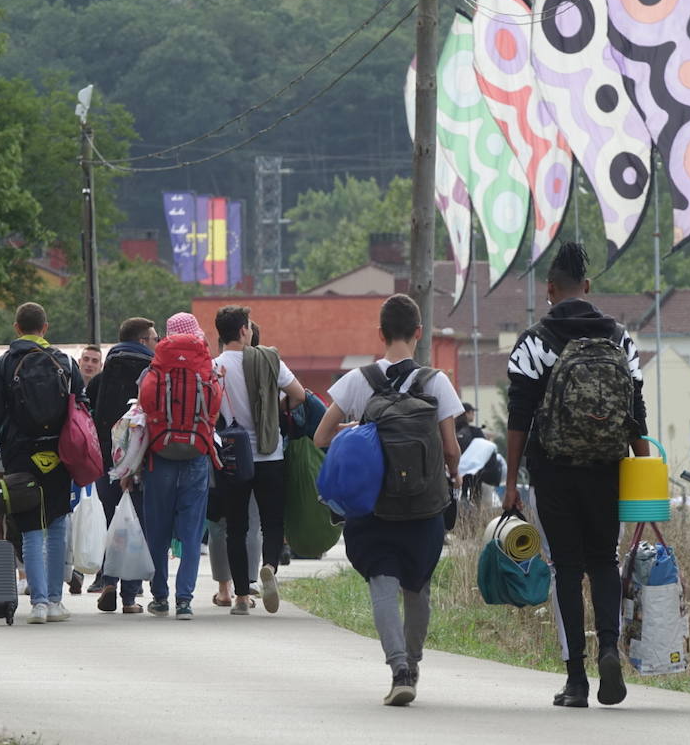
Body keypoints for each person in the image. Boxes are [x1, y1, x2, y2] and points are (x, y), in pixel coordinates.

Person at [503, 241, 648, 709]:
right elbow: (636, 412)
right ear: (587, 287)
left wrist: (510, 484)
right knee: (604, 560)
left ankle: (577, 680)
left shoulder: (534, 342)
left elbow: (518, 418)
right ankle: (609, 647)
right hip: (607, 470)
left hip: (554, 472)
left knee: (566, 568)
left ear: (550, 290)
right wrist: (643, 475)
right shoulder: (620, 339)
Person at [313, 294, 462, 705]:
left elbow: (321, 437)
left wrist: (359, 428)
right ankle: (413, 666)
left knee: (382, 584)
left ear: (380, 333)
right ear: (418, 333)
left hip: (374, 507)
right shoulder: (436, 382)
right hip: (424, 507)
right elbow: (451, 449)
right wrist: (452, 478)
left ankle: (396, 666)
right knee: (418, 587)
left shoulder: (358, 380)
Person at [0, 302, 85, 624]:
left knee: (31, 531)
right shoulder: (65, 361)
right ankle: (55, 601)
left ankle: (37, 604)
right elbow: (81, 408)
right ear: (45, 328)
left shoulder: (6, 363)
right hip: (59, 454)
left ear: (17, 328)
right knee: (58, 525)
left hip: (20, 455)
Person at [122, 311, 217, 621]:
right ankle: (185, 600)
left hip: (160, 456)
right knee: (191, 533)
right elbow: (216, 406)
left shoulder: (156, 367)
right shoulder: (207, 366)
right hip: (196, 454)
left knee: (158, 531)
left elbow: (145, 405)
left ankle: (160, 597)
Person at [212, 305, 306, 613]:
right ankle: (268, 567)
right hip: (270, 455)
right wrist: (275, 407)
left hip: (232, 457)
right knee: (271, 522)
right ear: (243, 330)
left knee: (236, 528)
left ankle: (240, 597)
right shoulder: (269, 361)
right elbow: (299, 395)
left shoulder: (213, 367)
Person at [84, 317, 158, 613]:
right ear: (142, 341)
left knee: (115, 522)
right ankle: (129, 597)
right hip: (140, 462)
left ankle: (109, 580)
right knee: (135, 526)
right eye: (154, 339)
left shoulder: (103, 377)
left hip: (106, 461)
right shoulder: (152, 374)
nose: (156, 343)